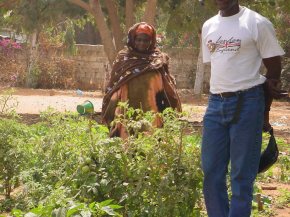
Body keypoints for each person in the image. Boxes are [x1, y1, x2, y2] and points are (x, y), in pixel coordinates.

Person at [201, 1, 285, 217]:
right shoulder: (208, 26)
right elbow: (221, 64)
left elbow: (274, 66)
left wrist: (266, 105)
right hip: (215, 103)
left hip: (248, 102)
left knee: (241, 175)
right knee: (211, 171)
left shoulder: (256, 23)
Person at [102, 22, 181, 138]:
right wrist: (112, 107)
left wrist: (169, 110)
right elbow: (115, 86)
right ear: (133, 40)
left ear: (151, 41)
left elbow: (167, 87)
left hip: (151, 113)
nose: (142, 43)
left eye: (146, 40)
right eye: (138, 40)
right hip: (126, 112)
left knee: (149, 145)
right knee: (126, 145)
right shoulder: (123, 58)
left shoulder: (159, 60)